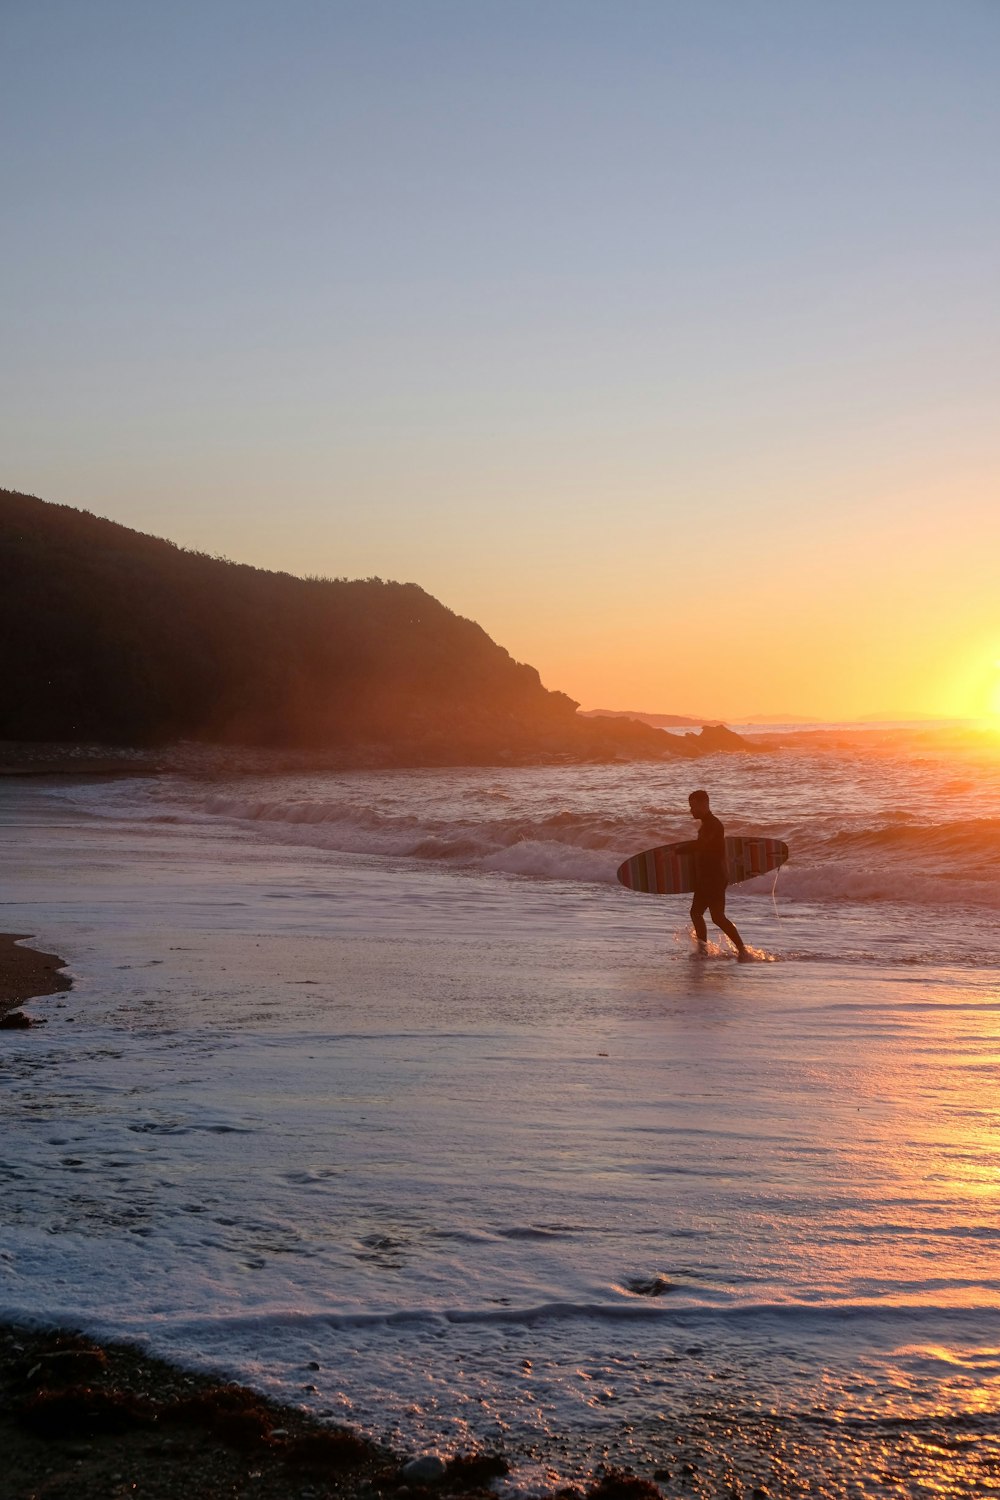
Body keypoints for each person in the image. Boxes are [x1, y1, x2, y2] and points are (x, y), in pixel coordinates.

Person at [682, 789, 750, 960]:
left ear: (704, 804)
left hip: (713, 878)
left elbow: (701, 845)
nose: (691, 810)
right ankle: (737, 950)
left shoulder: (713, 825)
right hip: (710, 877)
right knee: (709, 915)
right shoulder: (708, 824)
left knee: (709, 915)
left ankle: (733, 949)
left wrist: (678, 851)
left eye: (693, 806)